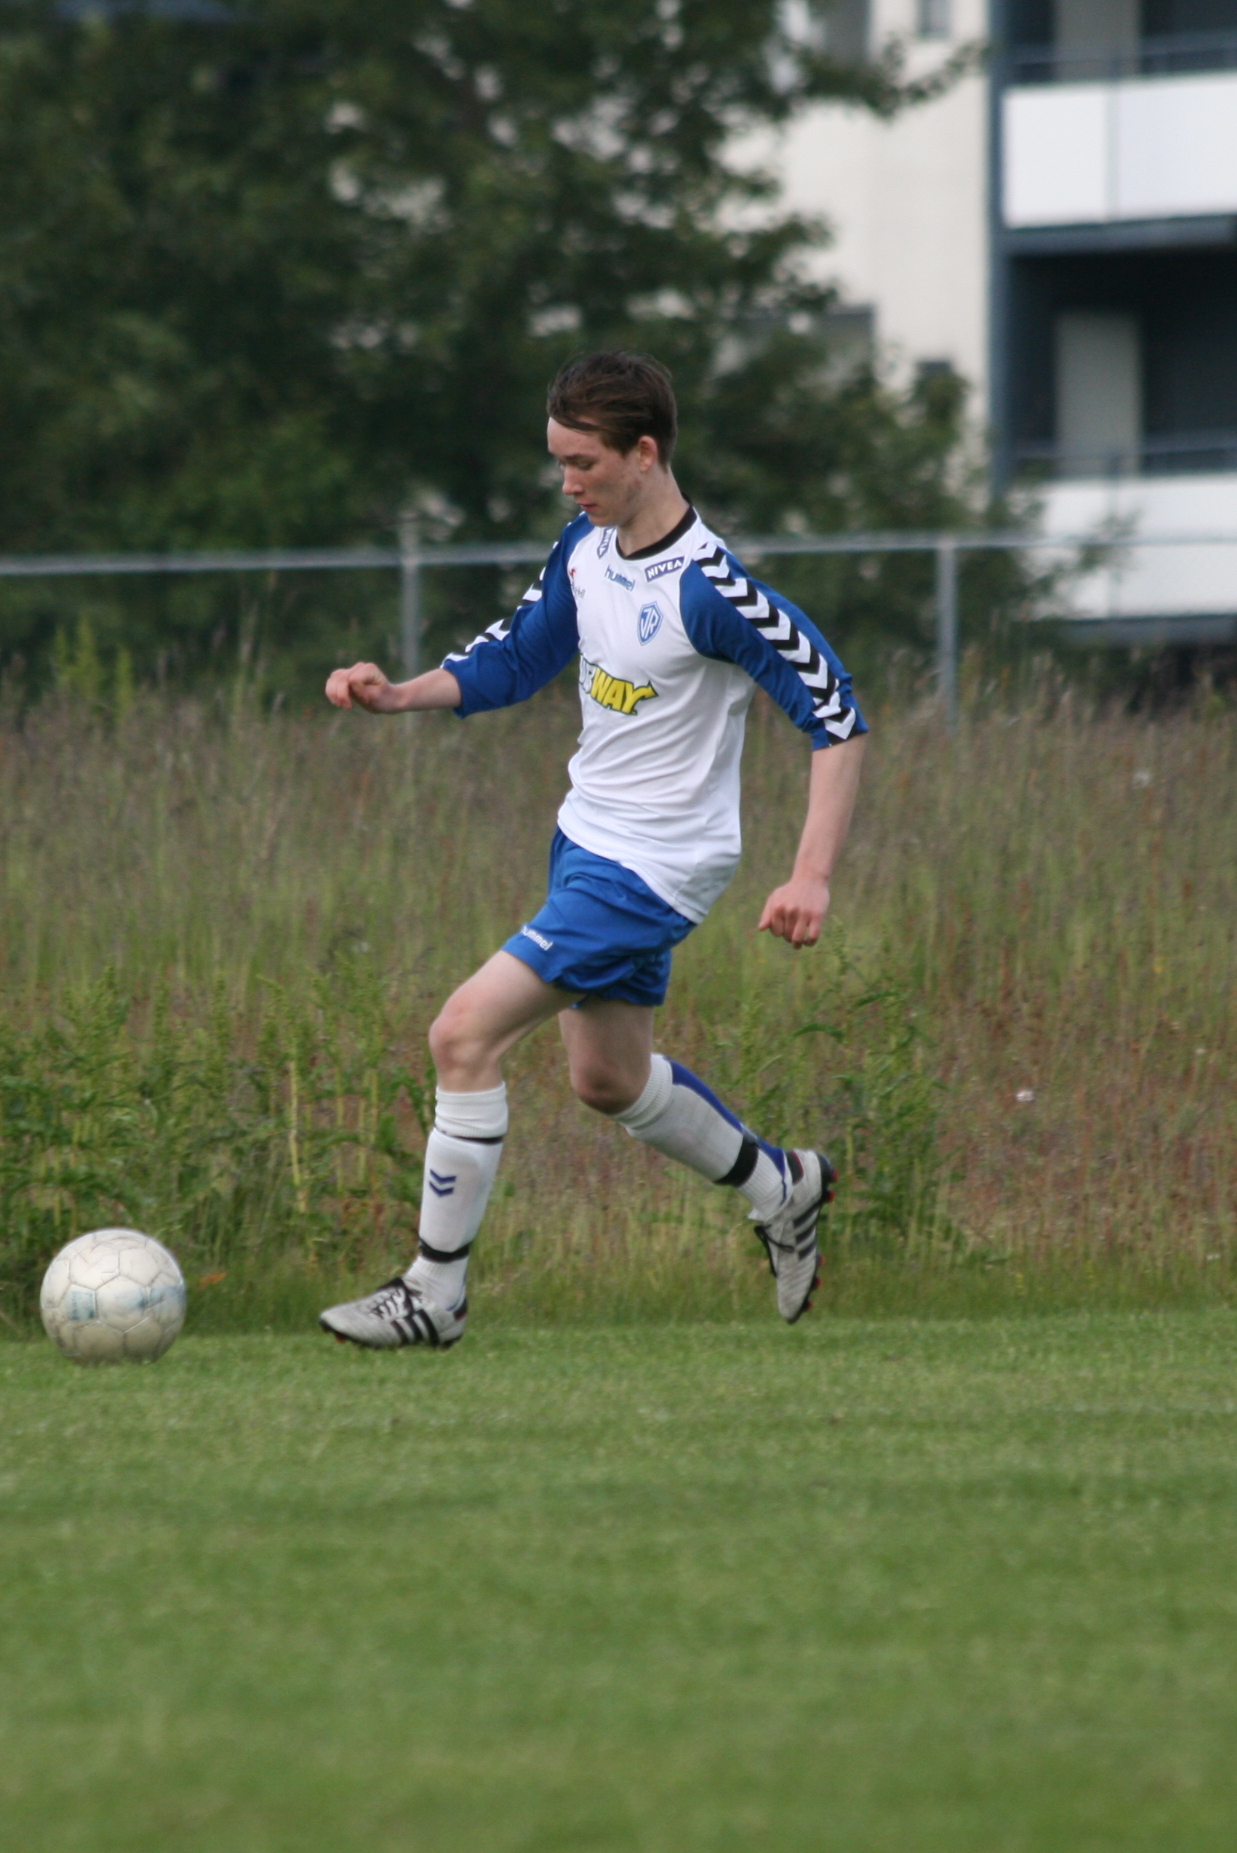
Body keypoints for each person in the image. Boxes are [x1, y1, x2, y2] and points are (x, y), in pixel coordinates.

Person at [318, 351, 868, 1349]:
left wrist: (810, 874)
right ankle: (781, 1185)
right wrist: (397, 694)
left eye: (583, 463)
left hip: (654, 868)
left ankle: (433, 1293)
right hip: (584, 839)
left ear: (643, 452)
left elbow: (835, 716)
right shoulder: (586, 547)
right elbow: (515, 657)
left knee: (462, 1035)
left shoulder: (712, 590)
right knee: (608, 1078)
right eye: (558, 462)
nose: (567, 483)